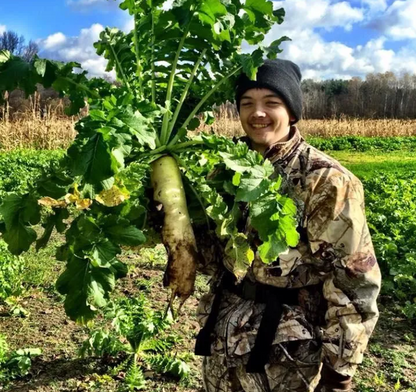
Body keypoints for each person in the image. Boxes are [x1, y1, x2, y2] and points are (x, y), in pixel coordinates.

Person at [194, 59, 381, 392]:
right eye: (247, 103)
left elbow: (353, 281)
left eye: (272, 103)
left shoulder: (325, 179)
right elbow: (212, 257)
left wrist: (339, 373)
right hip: (223, 336)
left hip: (285, 350)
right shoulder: (222, 170)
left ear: (292, 111)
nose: (258, 113)